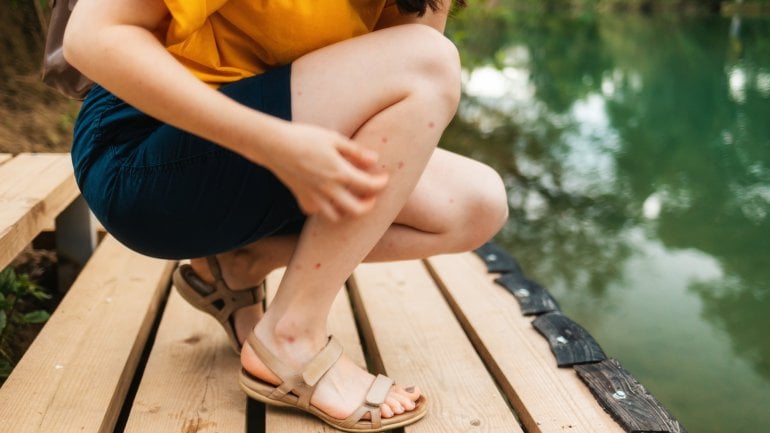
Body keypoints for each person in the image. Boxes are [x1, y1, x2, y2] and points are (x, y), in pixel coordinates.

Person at [63, 0, 508, 431]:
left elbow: (397, 85)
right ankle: (291, 336)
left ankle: (241, 261)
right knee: (428, 60)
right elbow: (89, 35)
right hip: (141, 154)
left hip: (258, 147)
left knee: (474, 206)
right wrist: (272, 142)